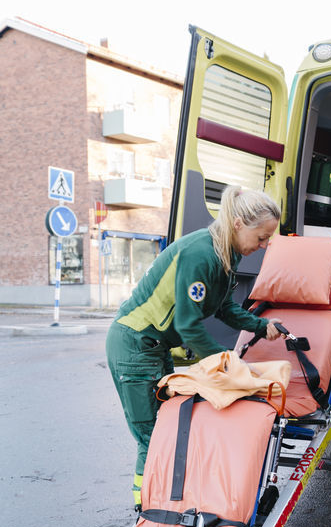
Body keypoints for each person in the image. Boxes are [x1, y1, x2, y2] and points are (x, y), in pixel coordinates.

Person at [106, 186, 284, 508]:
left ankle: (164, 502)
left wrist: (263, 326)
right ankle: (145, 510)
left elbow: (224, 308)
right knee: (153, 435)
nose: (264, 245)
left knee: (169, 428)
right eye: (261, 237)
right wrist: (224, 361)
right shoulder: (201, 253)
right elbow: (188, 324)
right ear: (239, 224)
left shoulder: (226, 255)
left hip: (154, 347)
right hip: (134, 345)